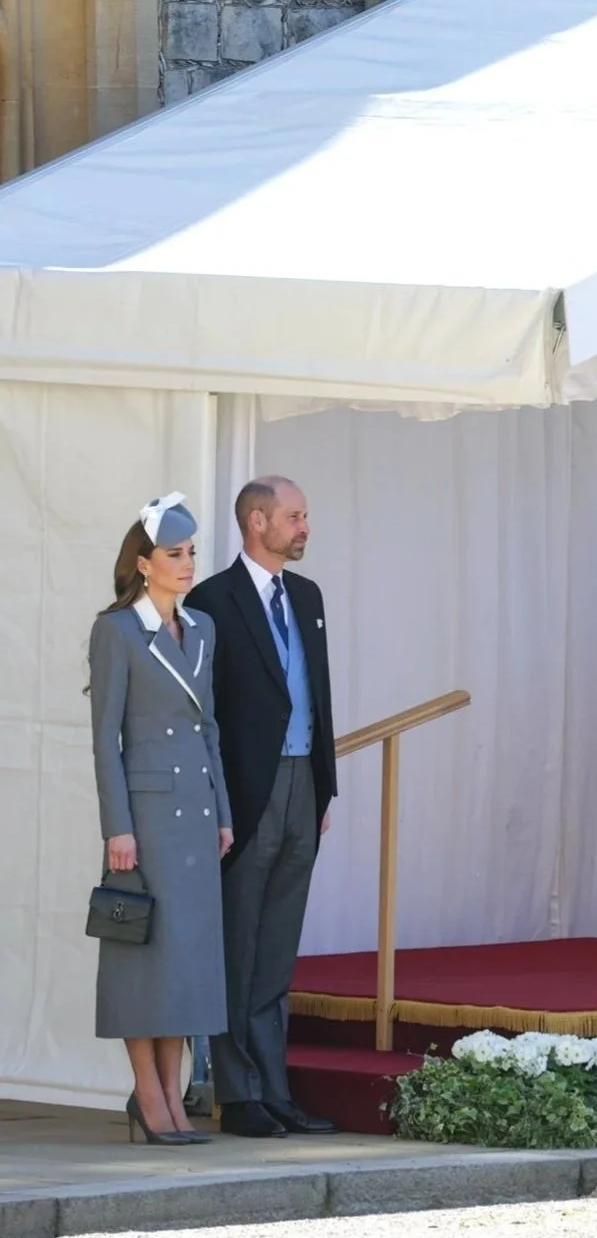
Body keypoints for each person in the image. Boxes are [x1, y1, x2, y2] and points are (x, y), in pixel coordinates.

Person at [184, 477, 338, 1137]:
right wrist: (217, 801)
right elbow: (205, 712)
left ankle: (275, 1090)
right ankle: (238, 1092)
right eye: (295, 516)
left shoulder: (307, 596)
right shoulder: (211, 600)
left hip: (304, 782)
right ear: (256, 521)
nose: (305, 527)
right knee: (239, 940)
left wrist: (324, 785)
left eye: (305, 516)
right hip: (247, 789)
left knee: (278, 945)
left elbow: (319, 694)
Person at [88, 494, 233, 1145]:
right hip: (144, 821)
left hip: (197, 820)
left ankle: (171, 1101)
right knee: (142, 964)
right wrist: (117, 827)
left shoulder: (201, 628)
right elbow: (105, 738)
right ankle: (150, 1098)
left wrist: (224, 813)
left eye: (191, 552)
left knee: (183, 966)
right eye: (175, 554)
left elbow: (210, 732)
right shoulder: (117, 631)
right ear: (144, 564)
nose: (187, 563)